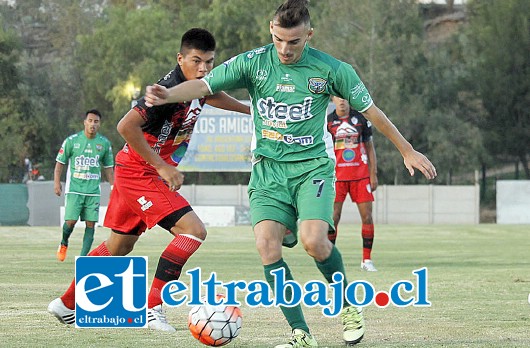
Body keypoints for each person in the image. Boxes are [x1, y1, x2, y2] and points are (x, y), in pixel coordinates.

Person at [145, 1, 437, 346]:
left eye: (294, 42)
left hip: (312, 169)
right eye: (279, 39)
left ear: (308, 35)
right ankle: (301, 334)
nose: (285, 49)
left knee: (314, 242)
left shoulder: (332, 70)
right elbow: (204, 87)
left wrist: (406, 149)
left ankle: (347, 307)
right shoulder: (253, 62)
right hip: (268, 172)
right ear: (271, 29)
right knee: (267, 246)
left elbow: (372, 112)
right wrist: (168, 93)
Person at [47, 28, 250, 332]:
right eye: (196, 61)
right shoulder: (167, 90)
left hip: (137, 168)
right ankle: (152, 306)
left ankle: (65, 304)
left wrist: (250, 111)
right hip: (140, 171)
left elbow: (210, 93)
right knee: (193, 230)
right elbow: (126, 125)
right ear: (180, 58)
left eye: (209, 62)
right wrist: (161, 166)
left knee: (118, 246)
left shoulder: (197, 84)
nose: (204, 69)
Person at [53, 109, 115, 261]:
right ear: (85, 122)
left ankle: (83, 259)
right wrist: (57, 183)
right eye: (90, 121)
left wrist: (114, 188)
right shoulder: (72, 141)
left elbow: (108, 169)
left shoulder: (104, 144)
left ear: (99, 124)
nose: (93, 124)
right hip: (74, 189)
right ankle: (63, 242)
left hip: (93, 190)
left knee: (91, 224)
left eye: (96, 121)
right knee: (70, 222)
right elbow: (60, 163)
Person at [327, 96, 378, 272]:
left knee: (367, 217)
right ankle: (330, 259)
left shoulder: (361, 119)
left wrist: (373, 173)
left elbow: (370, 147)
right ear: (332, 100)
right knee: (333, 219)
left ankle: (367, 260)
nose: (342, 102)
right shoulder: (328, 122)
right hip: (337, 177)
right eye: (337, 98)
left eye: (344, 98)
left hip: (360, 175)